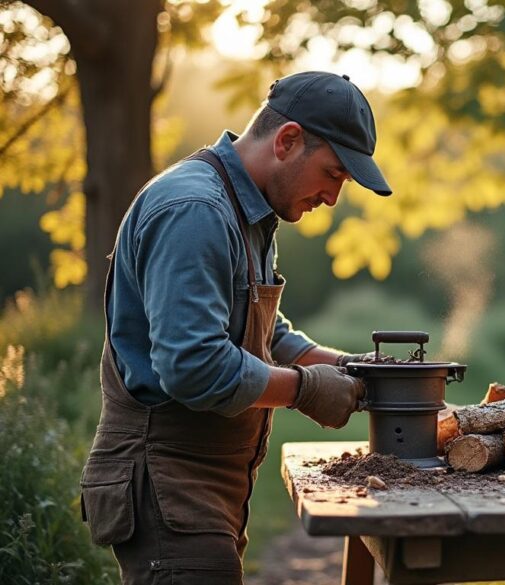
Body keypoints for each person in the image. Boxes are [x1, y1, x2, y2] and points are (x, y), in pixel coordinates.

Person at [79, 71, 390, 584]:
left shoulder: (249, 212)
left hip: (201, 489)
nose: (333, 197)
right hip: (166, 482)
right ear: (288, 140)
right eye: (333, 174)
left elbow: (265, 334)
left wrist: (355, 369)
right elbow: (194, 366)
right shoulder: (195, 211)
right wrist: (307, 391)